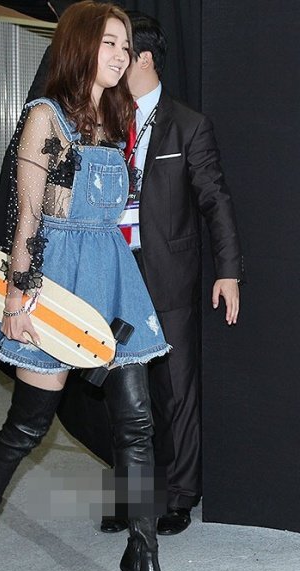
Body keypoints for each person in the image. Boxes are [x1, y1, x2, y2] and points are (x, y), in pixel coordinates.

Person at [0, 3, 184, 571]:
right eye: (110, 43)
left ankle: (143, 557)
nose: (121, 55)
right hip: (54, 285)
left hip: (112, 279)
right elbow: (27, 217)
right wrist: (16, 300)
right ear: (81, 45)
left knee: (136, 424)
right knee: (28, 426)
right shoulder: (44, 117)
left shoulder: (115, 116)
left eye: (126, 45)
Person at [106, 11, 243, 536]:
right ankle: (130, 495)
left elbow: (216, 202)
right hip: (115, 271)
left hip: (167, 272)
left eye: (121, 50)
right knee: (122, 385)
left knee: (176, 387)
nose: (113, 60)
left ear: (143, 58)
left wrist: (228, 270)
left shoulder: (188, 124)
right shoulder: (103, 121)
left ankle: (182, 494)